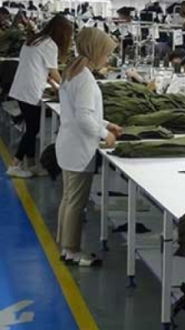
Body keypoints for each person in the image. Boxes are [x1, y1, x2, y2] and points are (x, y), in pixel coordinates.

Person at [56, 28, 121, 267]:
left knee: (68, 199)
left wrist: (106, 123)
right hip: (79, 147)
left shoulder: (73, 71)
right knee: (75, 202)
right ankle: (73, 251)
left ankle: (65, 247)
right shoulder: (83, 77)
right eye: (106, 53)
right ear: (95, 51)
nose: (107, 59)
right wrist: (105, 134)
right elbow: (84, 118)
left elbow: (82, 113)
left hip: (69, 144)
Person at [7, 15, 73, 178]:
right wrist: (68, 88)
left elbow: (38, 67)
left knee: (31, 126)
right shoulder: (50, 45)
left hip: (21, 87)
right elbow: (54, 71)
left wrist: (53, 85)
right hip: (30, 90)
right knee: (32, 129)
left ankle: (31, 165)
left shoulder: (34, 40)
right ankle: (14, 165)